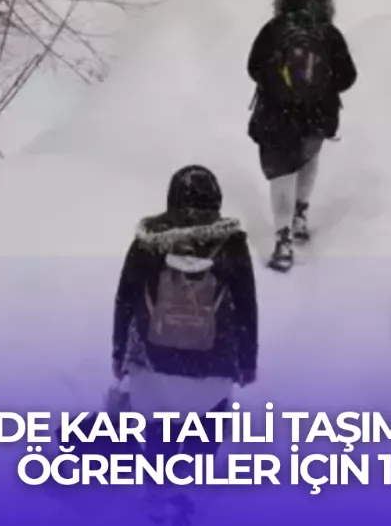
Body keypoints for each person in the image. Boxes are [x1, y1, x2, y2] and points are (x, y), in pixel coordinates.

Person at [111, 165, 258, 520]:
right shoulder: (232, 244)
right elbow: (246, 305)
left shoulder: (148, 241)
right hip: (213, 365)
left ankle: (156, 495)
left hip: (153, 361)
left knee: (158, 430)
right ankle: (184, 487)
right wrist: (247, 361)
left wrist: (119, 353)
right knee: (208, 427)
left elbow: (125, 299)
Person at [247, 0, 358, 272]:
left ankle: (282, 241)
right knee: (308, 159)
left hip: (275, 117)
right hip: (316, 117)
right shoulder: (329, 33)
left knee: (281, 175)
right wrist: (320, 87)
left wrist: (279, 85)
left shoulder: (273, 30)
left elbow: (253, 67)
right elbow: (348, 77)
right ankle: (300, 215)